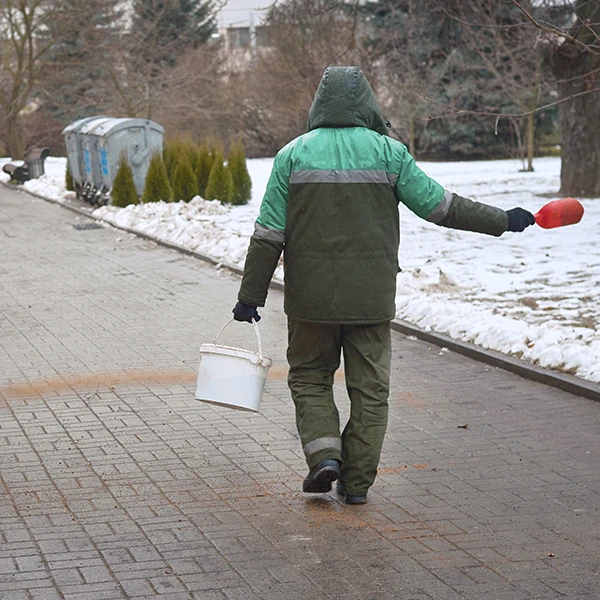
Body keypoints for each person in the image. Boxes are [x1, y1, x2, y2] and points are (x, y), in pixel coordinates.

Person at [232, 66, 534, 505]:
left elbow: (268, 234)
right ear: (368, 104)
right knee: (370, 392)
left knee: (311, 379)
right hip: (371, 301)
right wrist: (502, 220)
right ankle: (356, 486)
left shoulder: (291, 156)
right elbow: (441, 207)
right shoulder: (390, 154)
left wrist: (249, 297)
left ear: (319, 104)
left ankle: (324, 458)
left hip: (309, 302)